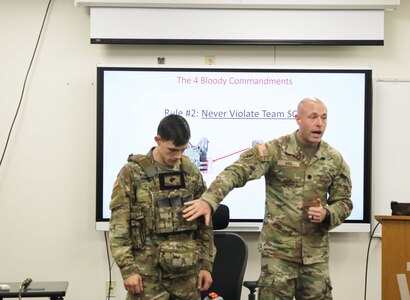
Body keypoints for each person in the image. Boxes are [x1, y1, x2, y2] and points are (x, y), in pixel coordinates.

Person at [183, 97, 353, 300]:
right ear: (298, 119)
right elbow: (236, 172)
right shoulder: (274, 150)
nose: (320, 123)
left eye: (324, 118)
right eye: (313, 117)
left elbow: (344, 202)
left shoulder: (334, 159)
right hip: (278, 256)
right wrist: (209, 200)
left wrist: (328, 213)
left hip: (315, 257)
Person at [109, 114, 215, 300]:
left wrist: (206, 264)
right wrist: (128, 269)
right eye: (172, 150)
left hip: (187, 276)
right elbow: (119, 226)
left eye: (182, 150)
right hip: (147, 276)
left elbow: (205, 225)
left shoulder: (191, 173)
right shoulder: (132, 173)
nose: (178, 156)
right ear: (158, 140)